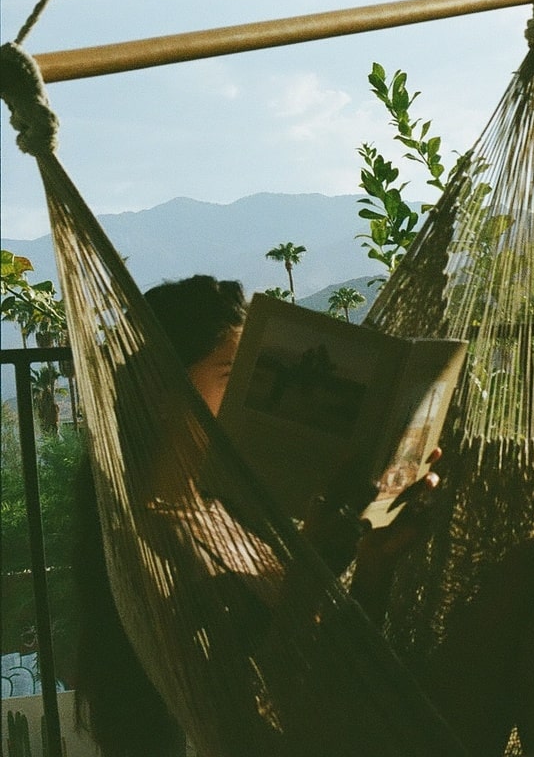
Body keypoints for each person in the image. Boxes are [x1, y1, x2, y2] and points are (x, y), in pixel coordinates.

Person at [72, 275, 437, 755]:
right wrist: (315, 566)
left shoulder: (228, 514)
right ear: (161, 391)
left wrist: (374, 564)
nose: (254, 395)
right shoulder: (143, 545)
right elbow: (254, 714)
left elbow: (340, 668)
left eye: (258, 374)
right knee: (530, 576)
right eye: (231, 376)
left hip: (354, 732)